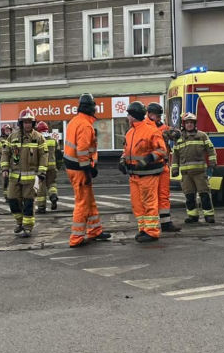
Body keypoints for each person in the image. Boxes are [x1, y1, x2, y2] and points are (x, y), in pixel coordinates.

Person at [63, 93, 111, 247]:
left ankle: (95, 230)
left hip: (74, 167)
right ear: (91, 108)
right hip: (80, 169)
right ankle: (76, 238)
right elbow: (82, 150)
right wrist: (87, 170)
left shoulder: (74, 121)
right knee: (82, 203)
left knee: (89, 201)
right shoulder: (85, 125)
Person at [119, 101, 167, 243]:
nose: (127, 117)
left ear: (133, 116)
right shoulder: (130, 132)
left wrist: (148, 158)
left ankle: (152, 232)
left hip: (148, 174)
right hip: (134, 175)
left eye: (129, 115)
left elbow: (162, 150)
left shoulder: (151, 131)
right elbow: (126, 150)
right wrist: (122, 160)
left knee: (149, 203)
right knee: (137, 204)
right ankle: (143, 229)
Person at [0, 110, 48, 238]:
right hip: (14, 177)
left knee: (28, 203)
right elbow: (5, 153)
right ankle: (19, 222)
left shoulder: (39, 138)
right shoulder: (12, 137)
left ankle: (27, 227)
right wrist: (4, 169)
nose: (27, 125)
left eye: (29, 122)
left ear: (33, 123)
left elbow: (44, 156)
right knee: (12, 200)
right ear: (20, 123)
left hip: (32, 178)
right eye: (25, 122)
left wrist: (41, 173)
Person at [172, 112, 218, 224]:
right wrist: (174, 169)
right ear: (184, 124)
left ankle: (209, 216)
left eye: (191, 122)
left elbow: (210, 149)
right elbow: (175, 155)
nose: (189, 124)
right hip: (186, 174)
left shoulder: (202, 136)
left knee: (204, 194)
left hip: (200, 173)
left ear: (194, 124)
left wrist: (212, 162)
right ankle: (192, 216)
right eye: (187, 123)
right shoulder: (179, 138)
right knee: (189, 196)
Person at [145, 102, 178, 232]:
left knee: (164, 195)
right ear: (149, 114)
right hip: (150, 167)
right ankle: (150, 225)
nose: (158, 118)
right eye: (156, 115)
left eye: (159, 116)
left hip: (163, 165)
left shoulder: (163, 127)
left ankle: (166, 223)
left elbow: (176, 134)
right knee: (151, 197)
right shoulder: (144, 127)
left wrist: (173, 133)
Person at [35, 121, 60, 213]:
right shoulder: (53, 141)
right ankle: (53, 195)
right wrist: (58, 166)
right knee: (52, 184)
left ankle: (41, 207)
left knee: (40, 187)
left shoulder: (37, 141)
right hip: (52, 167)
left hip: (41, 168)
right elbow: (59, 155)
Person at [0, 124, 13, 197]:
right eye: (6, 130)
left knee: (12, 178)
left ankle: (11, 194)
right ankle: (6, 195)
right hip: (4, 161)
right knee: (5, 178)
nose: (8, 131)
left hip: (12, 161)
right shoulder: (0, 140)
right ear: (3, 131)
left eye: (9, 130)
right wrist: (7, 151)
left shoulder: (12, 138)